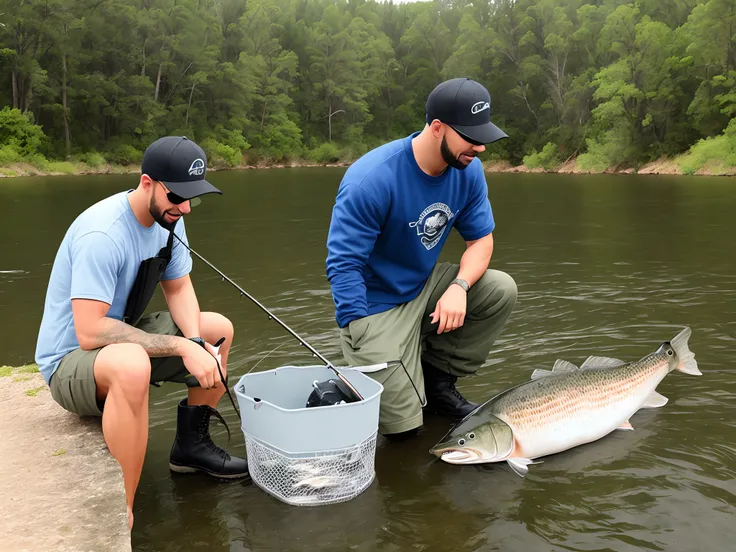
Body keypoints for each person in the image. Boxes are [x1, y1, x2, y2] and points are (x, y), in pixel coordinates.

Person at [34, 136, 248, 531]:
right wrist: (181, 346)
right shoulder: (103, 235)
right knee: (134, 364)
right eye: (177, 197)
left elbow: (179, 288)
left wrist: (197, 344)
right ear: (147, 182)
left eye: (192, 199)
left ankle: (191, 448)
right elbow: (89, 330)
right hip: (69, 363)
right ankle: (125, 507)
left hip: (117, 339)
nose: (184, 208)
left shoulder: (170, 220)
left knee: (216, 330)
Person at [325, 77, 518, 438]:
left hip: (422, 287)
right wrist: (359, 330)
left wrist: (459, 286)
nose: (480, 148)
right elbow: (343, 265)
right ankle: (389, 371)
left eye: (483, 138)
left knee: (499, 289)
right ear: (437, 128)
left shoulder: (467, 170)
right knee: (404, 433)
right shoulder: (371, 180)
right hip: (375, 305)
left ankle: (437, 384)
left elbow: (481, 242)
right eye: (471, 137)